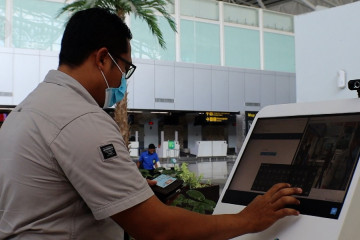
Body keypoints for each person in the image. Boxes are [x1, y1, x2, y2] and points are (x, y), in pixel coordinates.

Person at [0, 7, 302, 240]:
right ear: (103, 59)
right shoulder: (81, 118)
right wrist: (248, 220)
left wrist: (124, 190)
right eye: (125, 68)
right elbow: (157, 230)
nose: (122, 82)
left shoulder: (28, 109)